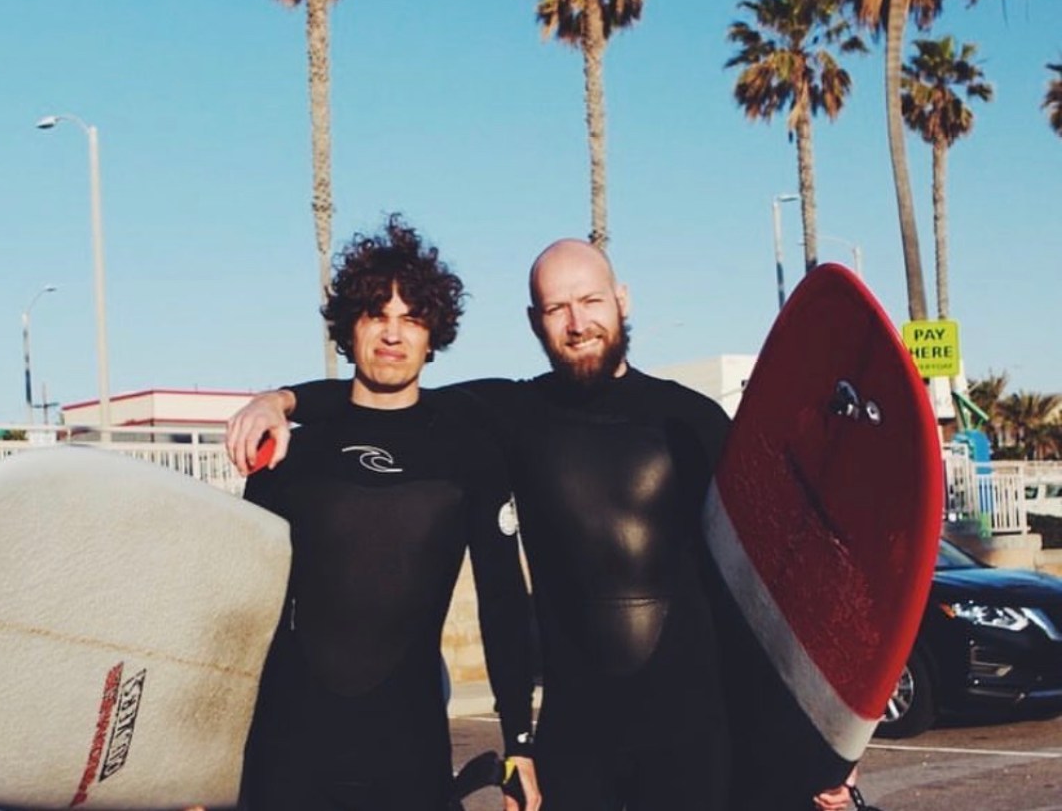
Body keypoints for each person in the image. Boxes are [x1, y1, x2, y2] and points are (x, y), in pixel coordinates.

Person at [227, 238, 859, 811]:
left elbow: (765, 582)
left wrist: (824, 740)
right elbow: (388, 393)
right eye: (557, 308)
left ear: (621, 300)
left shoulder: (691, 422)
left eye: (590, 301)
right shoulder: (510, 412)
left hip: (690, 728)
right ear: (536, 322)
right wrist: (282, 399)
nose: (577, 322)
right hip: (575, 740)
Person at [233, 217, 540, 811]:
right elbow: (242, 609)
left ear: (433, 333)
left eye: (411, 318)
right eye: (377, 314)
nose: (393, 335)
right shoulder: (291, 453)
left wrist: (518, 741)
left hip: (410, 745)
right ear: (350, 327)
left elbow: (503, 598)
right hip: (290, 743)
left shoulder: (469, 451)